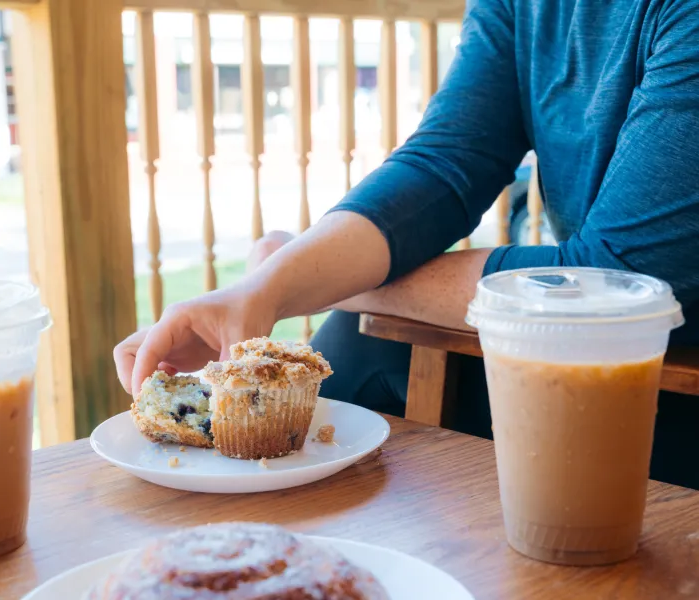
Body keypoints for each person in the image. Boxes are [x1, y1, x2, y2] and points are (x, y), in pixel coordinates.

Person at [115, 0, 699, 489]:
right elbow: (449, 163)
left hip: (666, 377)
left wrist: (334, 288)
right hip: (600, 365)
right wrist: (266, 289)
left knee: (360, 342)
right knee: (360, 350)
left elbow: (621, 278)